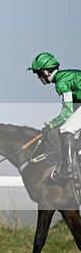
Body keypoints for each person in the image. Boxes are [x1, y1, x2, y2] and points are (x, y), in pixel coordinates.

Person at [28, 52, 81, 180]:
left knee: (66, 129)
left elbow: (67, 111)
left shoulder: (61, 83)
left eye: (38, 73)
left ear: (47, 72)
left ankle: (69, 169)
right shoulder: (66, 76)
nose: (39, 78)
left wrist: (52, 125)